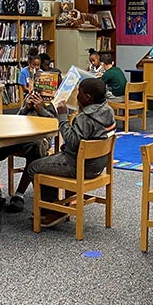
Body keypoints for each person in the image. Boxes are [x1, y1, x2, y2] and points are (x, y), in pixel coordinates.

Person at [28, 78, 116, 228]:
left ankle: (54, 209)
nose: (76, 96)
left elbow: (71, 141)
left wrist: (62, 115)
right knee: (49, 159)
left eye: (79, 93)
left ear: (87, 97)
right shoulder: (108, 110)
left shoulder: (84, 118)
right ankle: (56, 206)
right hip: (97, 166)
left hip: (78, 165)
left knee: (34, 167)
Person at [0, 91, 56, 212]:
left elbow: (56, 124)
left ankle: (19, 195)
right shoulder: (30, 97)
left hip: (40, 140)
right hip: (19, 136)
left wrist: (41, 109)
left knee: (36, 148)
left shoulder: (55, 102)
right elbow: (16, 120)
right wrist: (25, 108)